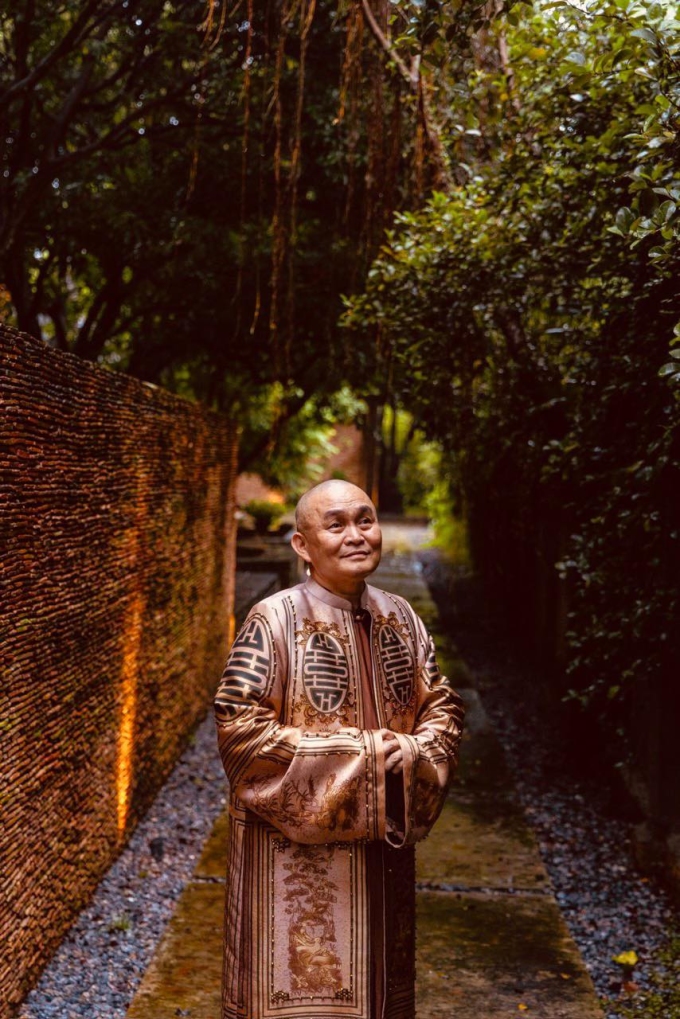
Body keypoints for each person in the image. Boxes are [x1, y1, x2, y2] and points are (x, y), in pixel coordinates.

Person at [214, 480, 465, 1019]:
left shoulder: (402, 616)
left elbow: (441, 705)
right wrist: (371, 758)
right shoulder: (272, 620)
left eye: (365, 520)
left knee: (382, 994)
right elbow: (241, 731)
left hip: (384, 860)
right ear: (303, 545)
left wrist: (419, 755)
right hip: (291, 866)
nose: (356, 535)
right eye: (336, 525)